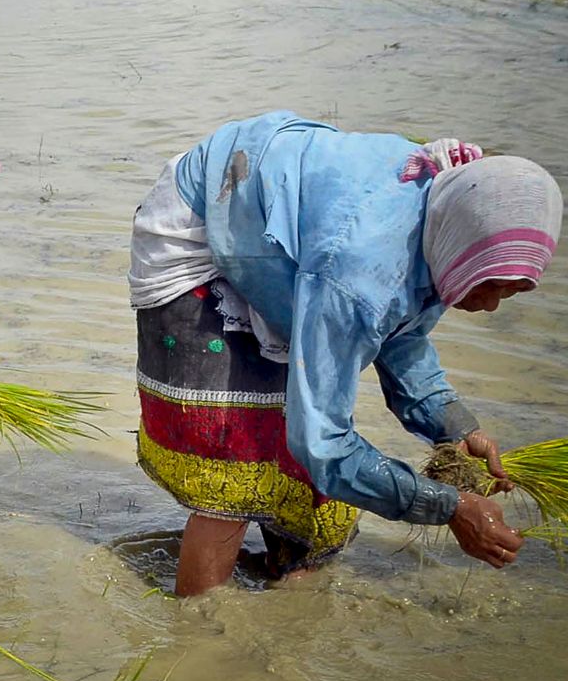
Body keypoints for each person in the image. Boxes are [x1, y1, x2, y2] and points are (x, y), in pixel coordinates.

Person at [128, 112, 562, 595]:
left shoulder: (446, 231)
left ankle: (282, 590)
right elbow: (323, 445)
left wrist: (455, 427)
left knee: (307, 472)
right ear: (463, 246)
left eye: (513, 290)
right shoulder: (356, 272)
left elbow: (401, 334)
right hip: (205, 219)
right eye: (491, 284)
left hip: (285, 240)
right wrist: (449, 507)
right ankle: (198, 630)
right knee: (235, 464)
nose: (490, 305)